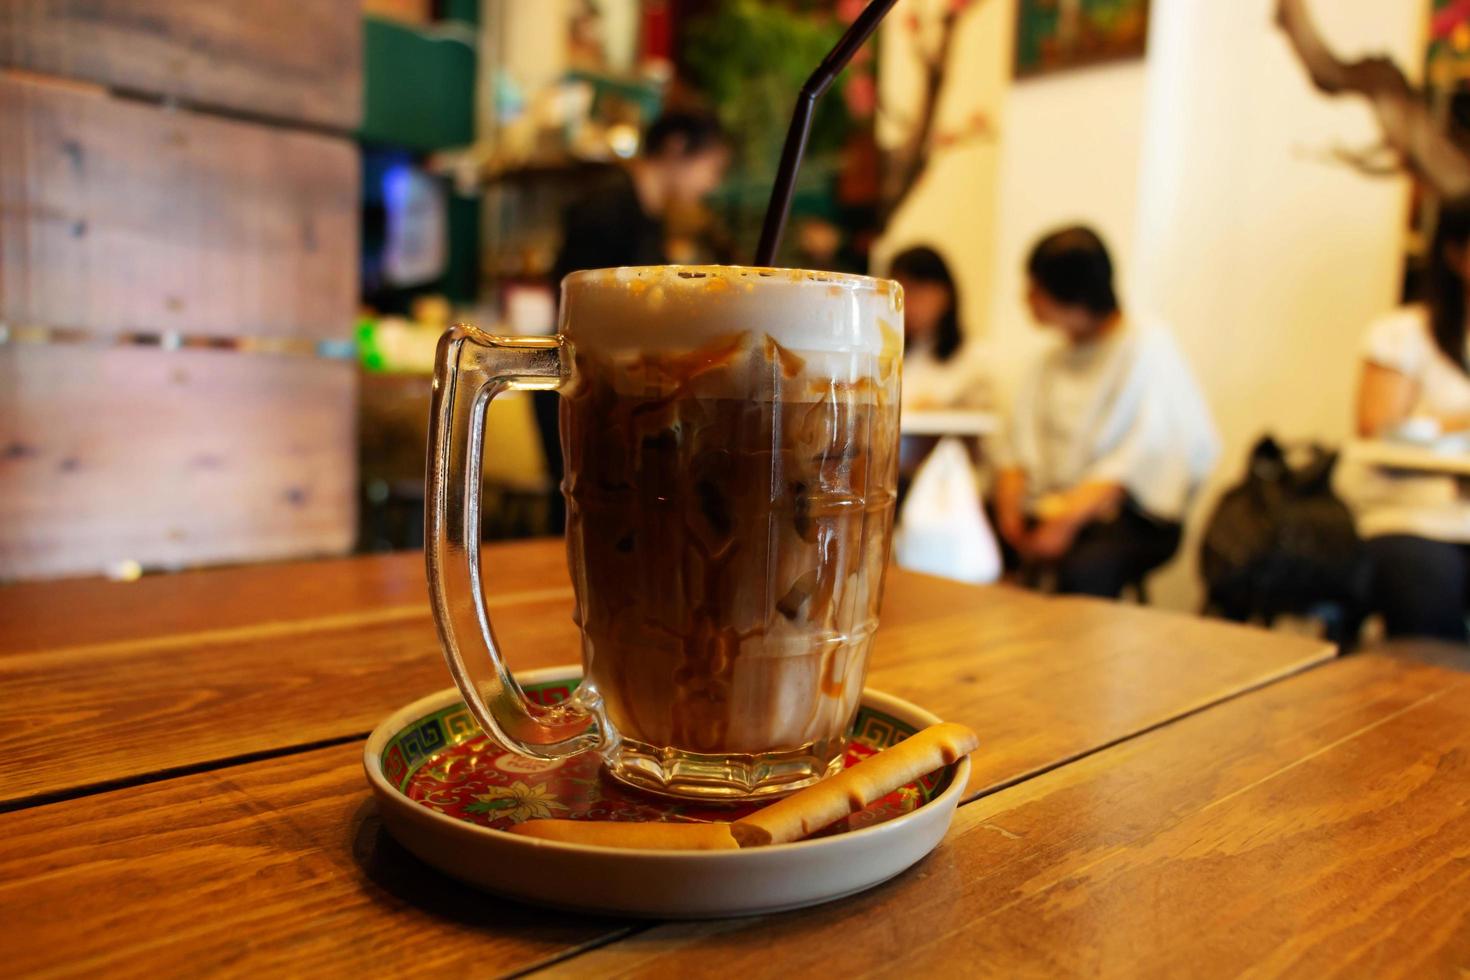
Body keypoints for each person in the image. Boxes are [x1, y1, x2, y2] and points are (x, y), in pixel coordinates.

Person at [991, 226, 1220, 598]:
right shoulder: (1051, 360)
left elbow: (1141, 456)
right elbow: (1016, 443)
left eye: (1034, 287)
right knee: (970, 536)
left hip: (1131, 514)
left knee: (1086, 569)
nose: (1026, 299)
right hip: (1053, 500)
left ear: (1070, 291)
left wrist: (1066, 520)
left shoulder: (1146, 347)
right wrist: (1009, 509)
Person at [538, 109, 730, 530]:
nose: (711, 184)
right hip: (583, 383)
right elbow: (573, 306)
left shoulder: (650, 217)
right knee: (584, 506)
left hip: (622, 387)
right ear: (677, 147)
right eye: (711, 167)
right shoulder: (608, 204)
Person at [1345, 199, 1470, 640]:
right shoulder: (1404, 334)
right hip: (1415, 517)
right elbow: (1379, 425)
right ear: (1456, 254)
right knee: (1425, 589)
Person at [888, 246, 990, 411]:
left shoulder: (974, 359)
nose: (907, 304)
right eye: (898, 296)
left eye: (916, 292)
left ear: (945, 293)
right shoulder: (889, 357)